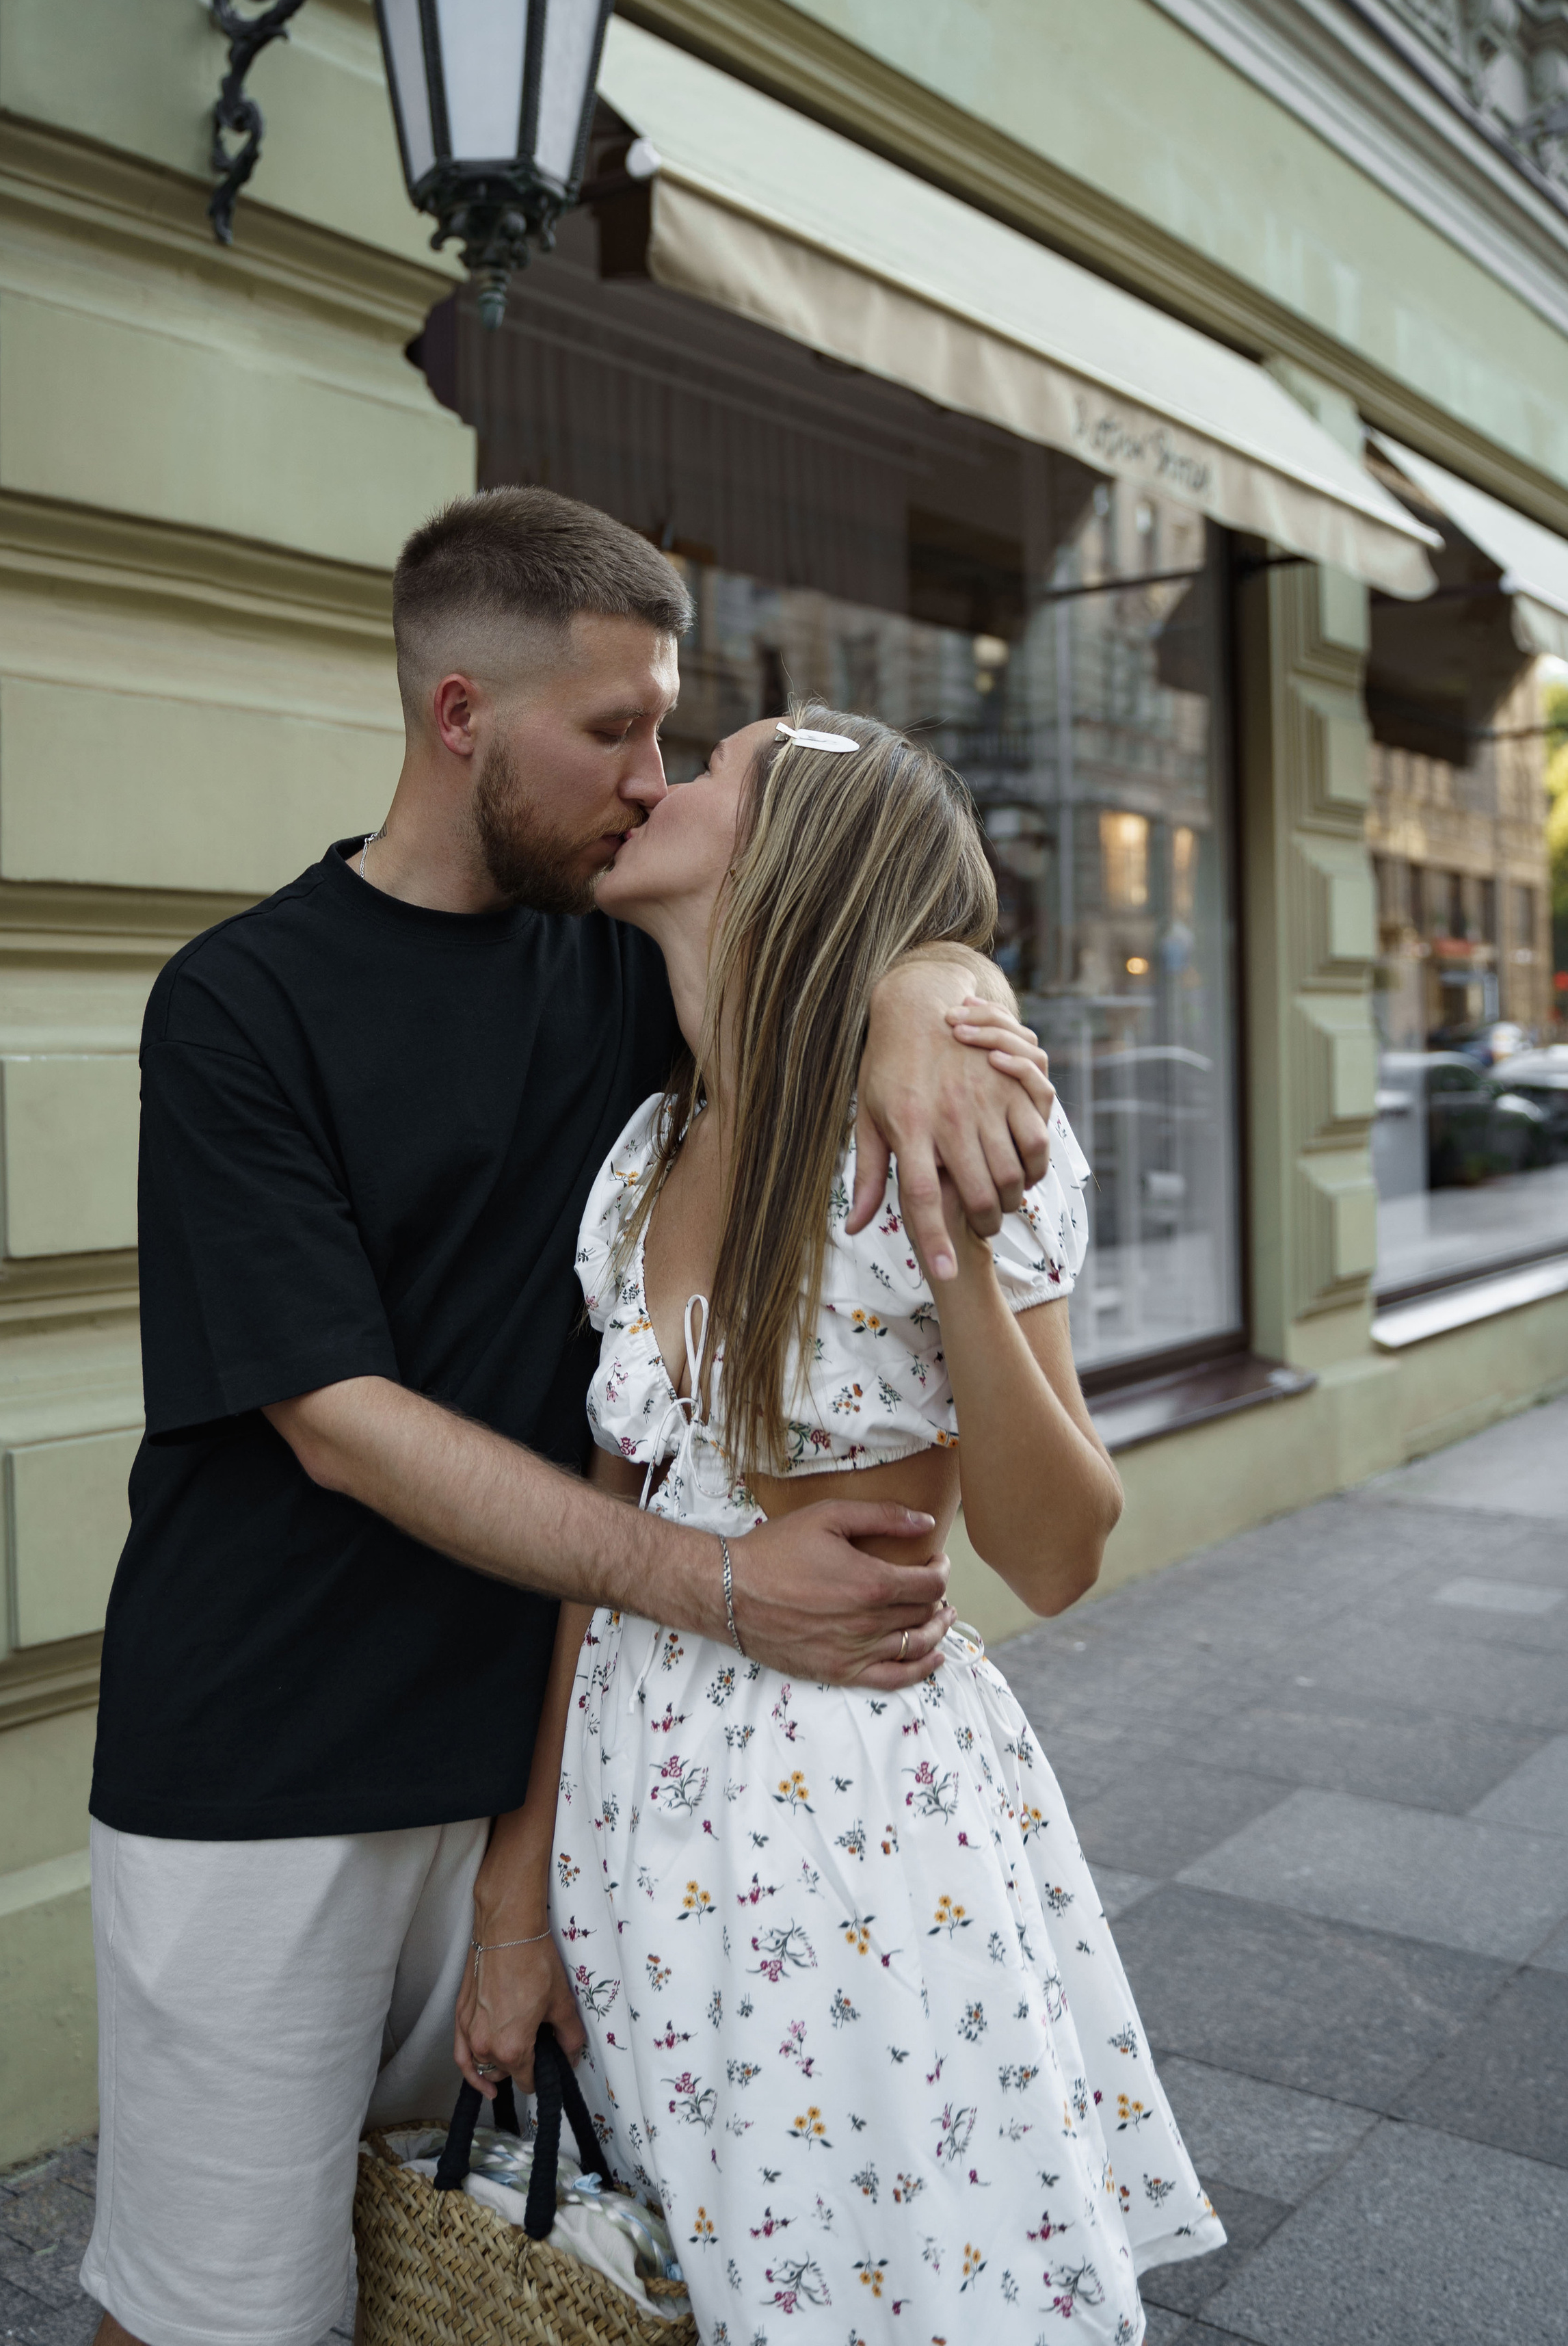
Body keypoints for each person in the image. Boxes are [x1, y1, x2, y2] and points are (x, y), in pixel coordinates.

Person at [80, 490, 1057, 2346]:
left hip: (567, 1782)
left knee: (551, 2279)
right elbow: (339, 1421)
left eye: (671, 733)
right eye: (612, 731)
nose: (649, 778)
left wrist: (943, 987)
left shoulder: (630, 968)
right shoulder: (240, 1005)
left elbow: (856, 923)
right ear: (461, 718)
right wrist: (712, 1581)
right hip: (268, 1766)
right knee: (219, 2309)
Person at [457, 705, 1224, 2343]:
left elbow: (1055, 1548)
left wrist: (953, 1256)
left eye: (716, 767)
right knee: (686, 2264)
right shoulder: (643, 1152)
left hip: (846, 1820)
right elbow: (605, 1546)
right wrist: (515, 1896)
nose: (661, 779)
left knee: (867, 2289)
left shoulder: (930, 1124)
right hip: (630, 1802)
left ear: (795, 858)